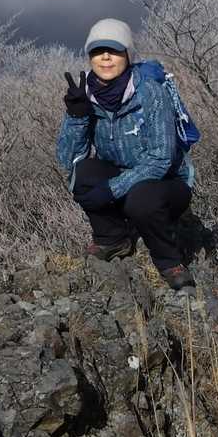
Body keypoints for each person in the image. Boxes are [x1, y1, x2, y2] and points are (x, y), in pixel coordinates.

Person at [56, 18, 196, 290]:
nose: (105, 57)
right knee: (83, 174)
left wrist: (112, 189)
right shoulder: (86, 95)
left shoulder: (150, 92)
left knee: (141, 199)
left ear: (128, 54)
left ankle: (169, 262)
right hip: (124, 175)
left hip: (167, 182)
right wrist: (77, 116)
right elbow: (69, 159)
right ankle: (113, 238)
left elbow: (161, 159)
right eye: (98, 51)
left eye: (114, 50)